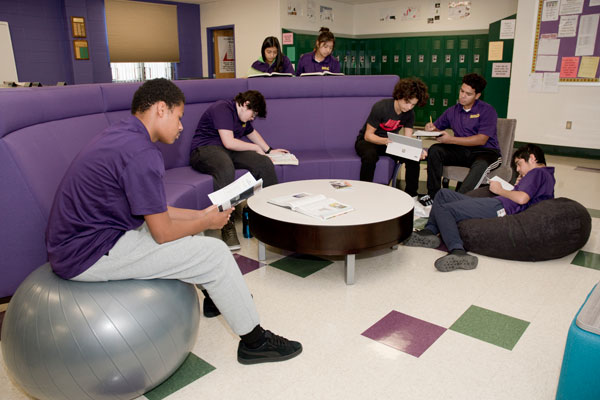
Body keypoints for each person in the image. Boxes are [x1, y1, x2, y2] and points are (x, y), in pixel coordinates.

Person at [46, 79, 302, 365]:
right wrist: (209, 222)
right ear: (160, 109)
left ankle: (215, 299)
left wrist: (204, 215)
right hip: (87, 253)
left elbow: (156, 209)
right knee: (215, 254)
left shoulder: (123, 134)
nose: (181, 127)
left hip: (90, 237)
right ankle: (255, 343)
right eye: (179, 117)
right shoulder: (143, 153)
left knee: (198, 238)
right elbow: (163, 231)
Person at [404, 144, 555, 272]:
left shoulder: (537, 172)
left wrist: (500, 190)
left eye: (519, 164)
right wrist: (517, 186)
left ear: (533, 158)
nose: (518, 169)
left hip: (501, 207)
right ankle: (430, 231)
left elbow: (522, 199)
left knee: (446, 208)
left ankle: (458, 251)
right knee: (443, 194)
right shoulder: (544, 175)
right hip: (498, 203)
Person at [190, 90, 288, 251]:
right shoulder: (222, 108)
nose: (252, 118)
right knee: (225, 166)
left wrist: (269, 151)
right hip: (204, 150)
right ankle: (226, 225)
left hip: (226, 152)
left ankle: (274, 218)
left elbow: (251, 133)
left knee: (263, 163)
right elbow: (228, 142)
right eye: (253, 114)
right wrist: (256, 148)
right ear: (245, 105)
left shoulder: (242, 116)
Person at [419, 73, 501, 206]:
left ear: (477, 95)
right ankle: (433, 195)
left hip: (486, 152)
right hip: (462, 151)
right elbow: (436, 127)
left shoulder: (487, 111)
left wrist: (450, 140)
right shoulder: (453, 111)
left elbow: (481, 140)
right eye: (462, 91)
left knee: (480, 165)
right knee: (435, 150)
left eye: (468, 94)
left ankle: (459, 201)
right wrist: (430, 128)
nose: (462, 96)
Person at [354, 77, 429, 197]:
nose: (409, 107)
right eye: (407, 102)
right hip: (368, 141)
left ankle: (411, 195)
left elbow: (407, 140)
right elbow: (368, 135)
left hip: (389, 143)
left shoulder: (409, 114)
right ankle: (365, 191)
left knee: (413, 158)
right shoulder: (381, 107)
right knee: (370, 155)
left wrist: (415, 151)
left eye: (413, 104)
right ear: (399, 96)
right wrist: (386, 141)